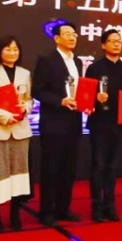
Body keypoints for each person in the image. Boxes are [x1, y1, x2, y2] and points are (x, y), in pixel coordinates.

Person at [0, 36, 33, 231]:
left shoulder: (25, 73)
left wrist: (25, 108)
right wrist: (5, 116)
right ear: (0, 51)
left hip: (20, 131)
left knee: (19, 175)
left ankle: (15, 215)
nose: (12, 53)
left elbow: (29, 99)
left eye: (15, 49)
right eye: (8, 49)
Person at [33, 22, 83, 226]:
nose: (72, 37)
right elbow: (38, 90)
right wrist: (60, 101)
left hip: (74, 122)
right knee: (51, 168)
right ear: (57, 38)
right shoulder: (47, 60)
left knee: (69, 168)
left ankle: (63, 208)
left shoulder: (77, 61)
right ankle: (46, 211)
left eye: (74, 34)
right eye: (68, 34)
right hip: (53, 123)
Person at [85, 29, 122, 223]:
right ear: (103, 45)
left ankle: (110, 206)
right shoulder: (94, 68)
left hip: (118, 123)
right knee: (99, 165)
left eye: (119, 41)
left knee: (113, 167)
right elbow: (86, 96)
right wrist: (95, 98)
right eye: (112, 41)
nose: (116, 44)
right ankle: (97, 207)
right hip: (99, 123)